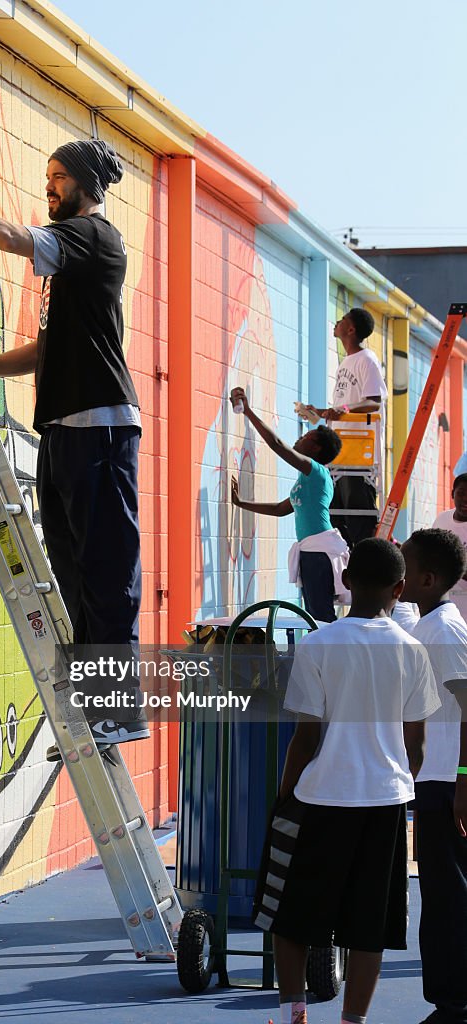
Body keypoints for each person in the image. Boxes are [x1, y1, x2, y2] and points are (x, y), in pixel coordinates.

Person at [0, 139, 149, 750]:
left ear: (87, 185)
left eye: (60, 177)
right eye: (47, 176)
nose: (50, 186)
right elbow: (46, 351)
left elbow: (14, 239)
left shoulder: (92, 238)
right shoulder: (67, 262)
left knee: (106, 566)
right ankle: (93, 711)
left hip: (100, 426)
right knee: (70, 571)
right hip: (64, 429)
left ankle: (119, 711)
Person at [255, 538, 439, 1024]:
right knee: (369, 925)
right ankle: (352, 1020)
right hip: (385, 803)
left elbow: (306, 738)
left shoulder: (317, 645)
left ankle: (295, 1013)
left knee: (290, 913)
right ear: (400, 589)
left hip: (319, 798)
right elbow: (415, 745)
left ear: (345, 581)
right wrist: (395, 780)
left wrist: (285, 793)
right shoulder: (413, 651)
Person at [400, 529, 467, 1024]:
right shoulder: (429, 627)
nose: (398, 573)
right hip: (435, 782)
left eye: (406, 564)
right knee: (441, 896)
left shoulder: (445, 633)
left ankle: (454, 1005)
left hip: (450, 784)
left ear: (428, 578)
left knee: (448, 898)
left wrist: (464, 781)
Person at [229, 388, 347, 623]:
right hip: (311, 551)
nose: (299, 438)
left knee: (321, 616)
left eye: (306, 438)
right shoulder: (305, 480)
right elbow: (280, 509)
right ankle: (322, 655)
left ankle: (331, 656)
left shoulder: (317, 473)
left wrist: (249, 412)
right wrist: (240, 503)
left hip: (319, 552)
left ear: (315, 449)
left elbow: (277, 445)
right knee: (315, 614)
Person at [307, 307, 388, 549]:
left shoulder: (367, 360)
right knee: (336, 519)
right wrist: (321, 411)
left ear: (351, 329)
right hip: (341, 456)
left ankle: (366, 572)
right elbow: (346, 407)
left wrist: (344, 409)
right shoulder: (346, 363)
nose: (337, 323)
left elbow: (374, 401)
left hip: (360, 457)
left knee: (359, 520)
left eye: (342, 320)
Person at [431, 473, 467, 621]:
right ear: (453, 494)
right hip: (442, 606)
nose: (465, 499)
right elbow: (428, 552)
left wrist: (450, 565)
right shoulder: (442, 519)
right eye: (461, 493)